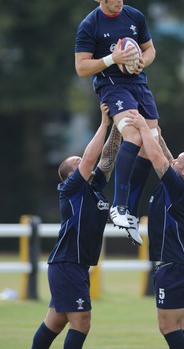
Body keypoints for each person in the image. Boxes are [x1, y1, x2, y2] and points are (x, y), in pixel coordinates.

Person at [75, 0, 159, 244]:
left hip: (139, 84)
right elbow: (81, 67)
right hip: (112, 87)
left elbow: (150, 49)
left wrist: (140, 61)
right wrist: (113, 58)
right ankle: (119, 205)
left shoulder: (134, 16)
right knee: (134, 133)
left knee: (152, 143)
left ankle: (131, 213)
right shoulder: (90, 25)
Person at [30, 103, 122, 349]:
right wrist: (103, 123)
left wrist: (120, 122)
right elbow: (93, 157)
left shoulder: (93, 187)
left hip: (75, 265)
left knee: (56, 322)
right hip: (68, 263)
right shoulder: (71, 189)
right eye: (79, 162)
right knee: (82, 321)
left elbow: (109, 154)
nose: (85, 161)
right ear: (71, 174)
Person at [127, 110, 184, 349]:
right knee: (181, 325)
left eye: (178, 161)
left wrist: (143, 127)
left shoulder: (179, 188)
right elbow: (164, 154)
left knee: (169, 327)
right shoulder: (179, 186)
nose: (173, 160)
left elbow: (158, 158)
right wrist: (156, 133)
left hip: (176, 266)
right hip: (182, 265)